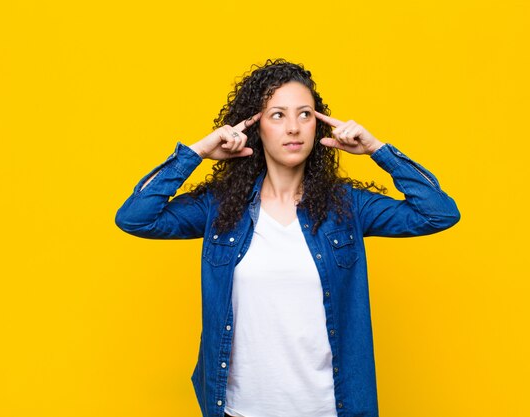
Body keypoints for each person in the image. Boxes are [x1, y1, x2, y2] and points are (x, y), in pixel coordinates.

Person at [115, 59, 460, 417]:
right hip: (239, 410)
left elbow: (438, 213)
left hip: (329, 409)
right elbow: (135, 218)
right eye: (277, 115)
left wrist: (377, 150)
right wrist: (198, 152)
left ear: (318, 125)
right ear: (255, 127)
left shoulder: (347, 207)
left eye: (305, 114)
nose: (293, 128)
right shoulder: (220, 209)